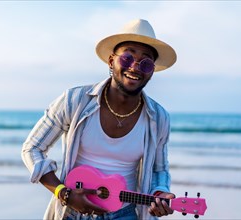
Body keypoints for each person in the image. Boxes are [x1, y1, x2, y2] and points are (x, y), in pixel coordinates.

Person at [21, 18, 177, 220]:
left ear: (152, 71)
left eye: (146, 63)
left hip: (124, 213)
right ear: (112, 61)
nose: (135, 67)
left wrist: (159, 193)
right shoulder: (75, 101)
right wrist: (63, 193)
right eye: (128, 57)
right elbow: (32, 148)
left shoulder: (159, 118)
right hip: (71, 213)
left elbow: (159, 169)